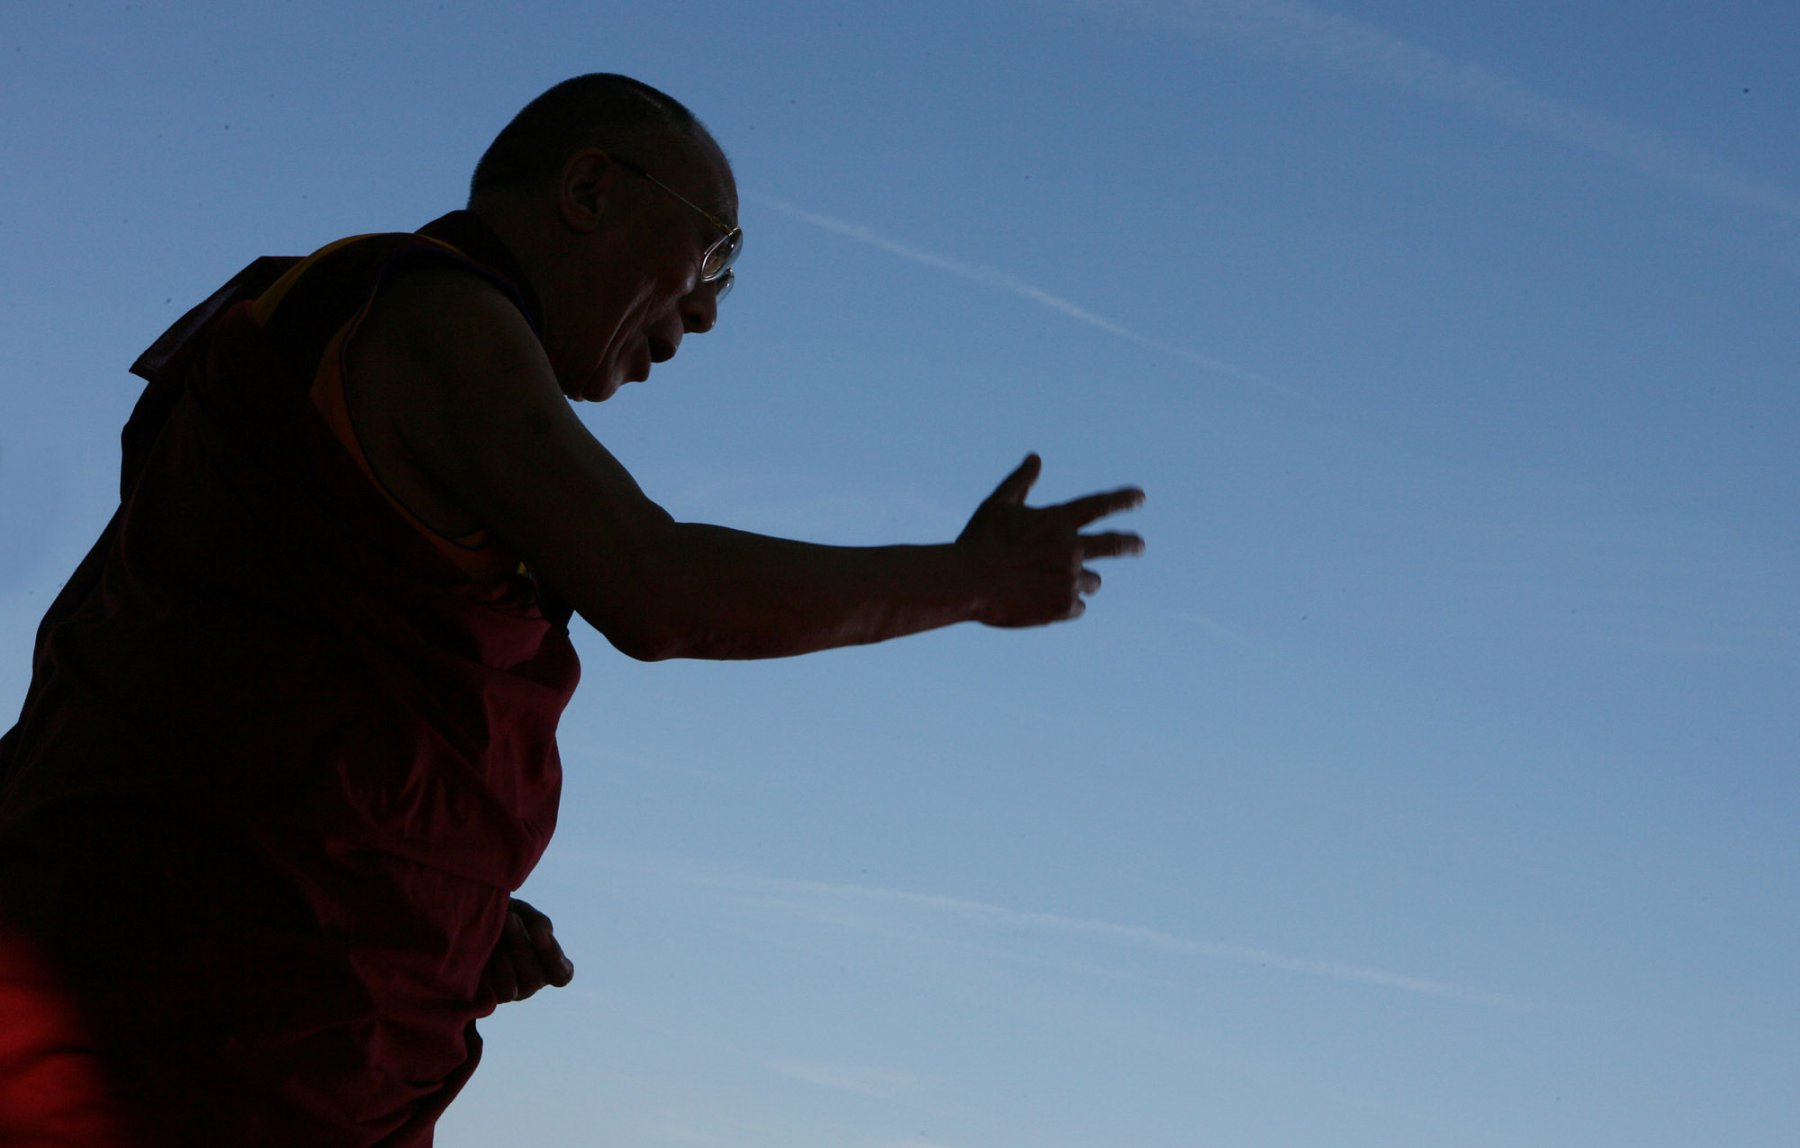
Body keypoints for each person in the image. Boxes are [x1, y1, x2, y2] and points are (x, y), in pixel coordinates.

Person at [0, 74, 1143, 1146]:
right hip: (182, 1019)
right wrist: (976, 580)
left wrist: (445, 900)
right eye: (711, 256)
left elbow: (249, 675)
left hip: (295, 998)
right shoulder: (427, 313)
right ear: (592, 190)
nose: (703, 316)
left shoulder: (347, 354)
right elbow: (656, 586)